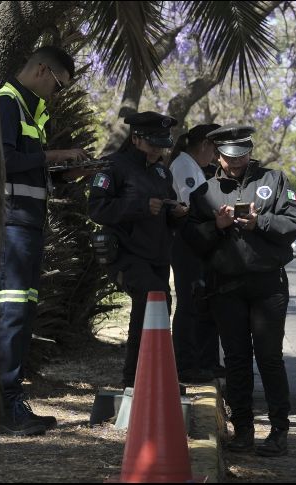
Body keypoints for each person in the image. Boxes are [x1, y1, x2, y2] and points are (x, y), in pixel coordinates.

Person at [182, 124, 296, 457]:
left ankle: (279, 431)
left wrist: (258, 223)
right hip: (226, 289)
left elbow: (293, 224)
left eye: (241, 156)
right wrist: (215, 226)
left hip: (267, 285)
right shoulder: (204, 192)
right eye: (227, 158)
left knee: (269, 358)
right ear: (218, 155)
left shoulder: (274, 181)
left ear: (250, 151)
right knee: (236, 360)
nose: (234, 164)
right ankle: (243, 430)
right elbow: (191, 240)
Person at [0, 46, 92, 436]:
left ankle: (10, 401)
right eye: (59, 85)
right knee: (11, 315)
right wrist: (53, 154)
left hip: (26, 226)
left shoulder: (28, 110)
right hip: (11, 227)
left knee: (19, 316)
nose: (58, 93)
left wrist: (66, 172)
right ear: (41, 70)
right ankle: (4, 406)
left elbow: (28, 169)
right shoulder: (7, 103)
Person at [88, 111, 189, 388]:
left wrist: (177, 213)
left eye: (161, 143)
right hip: (125, 254)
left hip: (156, 255)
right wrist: (140, 208)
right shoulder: (113, 166)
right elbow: (97, 209)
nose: (158, 149)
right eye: (152, 142)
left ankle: (152, 376)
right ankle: (134, 380)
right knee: (151, 300)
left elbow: (165, 212)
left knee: (158, 306)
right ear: (135, 139)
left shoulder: (161, 172)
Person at [168, 123, 223, 384]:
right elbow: (193, 205)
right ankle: (186, 364)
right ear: (205, 145)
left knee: (201, 304)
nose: (215, 157)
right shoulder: (184, 165)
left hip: (198, 241)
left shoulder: (192, 165)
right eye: (215, 150)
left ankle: (205, 361)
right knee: (189, 305)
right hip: (186, 241)